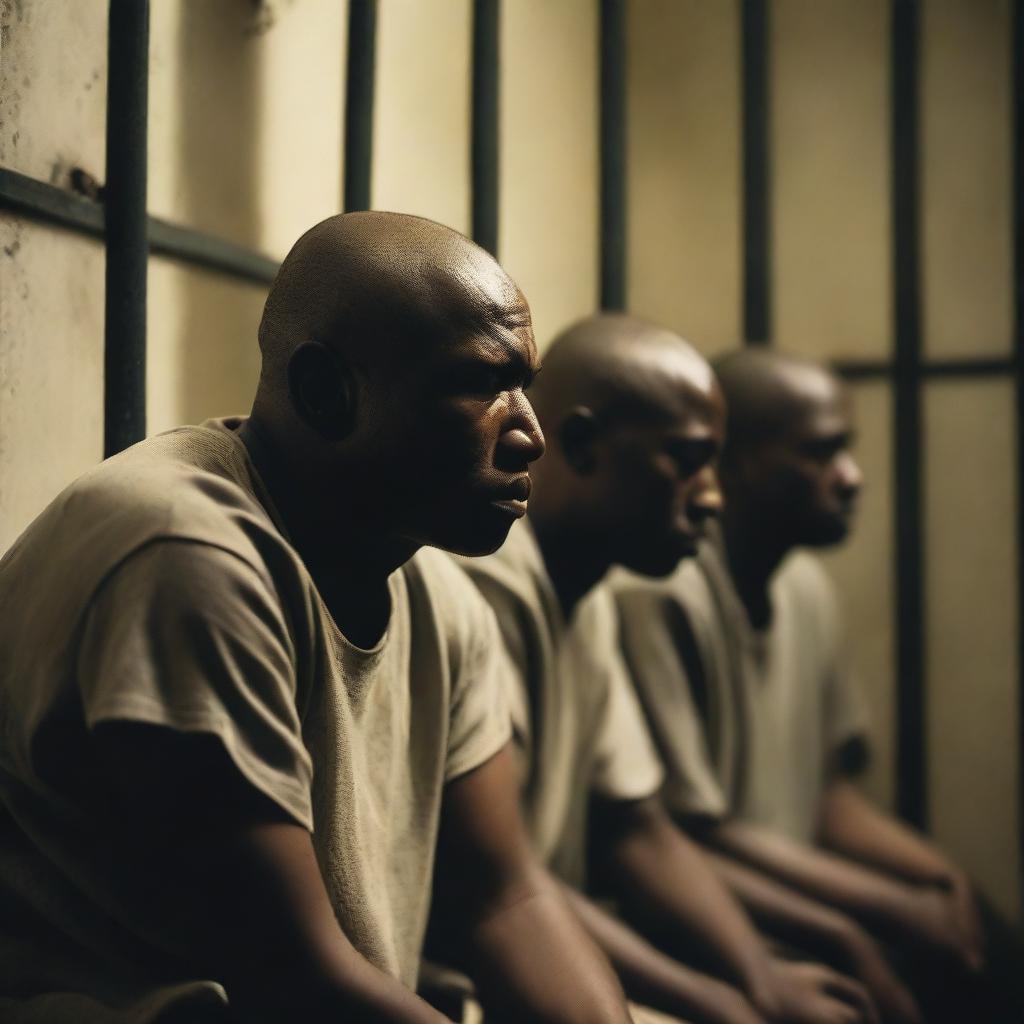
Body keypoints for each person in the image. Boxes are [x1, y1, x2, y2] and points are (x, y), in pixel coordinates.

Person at [0, 212, 634, 1024]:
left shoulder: (443, 602)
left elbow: (504, 903)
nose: (530, 435)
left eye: (527, 386)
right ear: (326, 392)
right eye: (481, 384)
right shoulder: (184, 554)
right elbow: (292, 981)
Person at [455, 315, 878, 1024]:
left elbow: (639, 829)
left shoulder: (587, 597)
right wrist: (730, 999)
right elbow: (501, 894)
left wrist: (762, 979)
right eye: (686, 461)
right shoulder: (490, 586)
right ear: (583, 445)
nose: (712, 497)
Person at [614, 348, 1021, 1023]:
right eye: (821, 453)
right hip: (705, 906)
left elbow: (830, 795)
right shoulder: (662, 593)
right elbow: (688, 834)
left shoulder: (804, 586)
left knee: (980, 935)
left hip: (776, 888)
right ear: (735, 462)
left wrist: (939, 880)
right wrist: (882, 911)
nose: (852, 478)